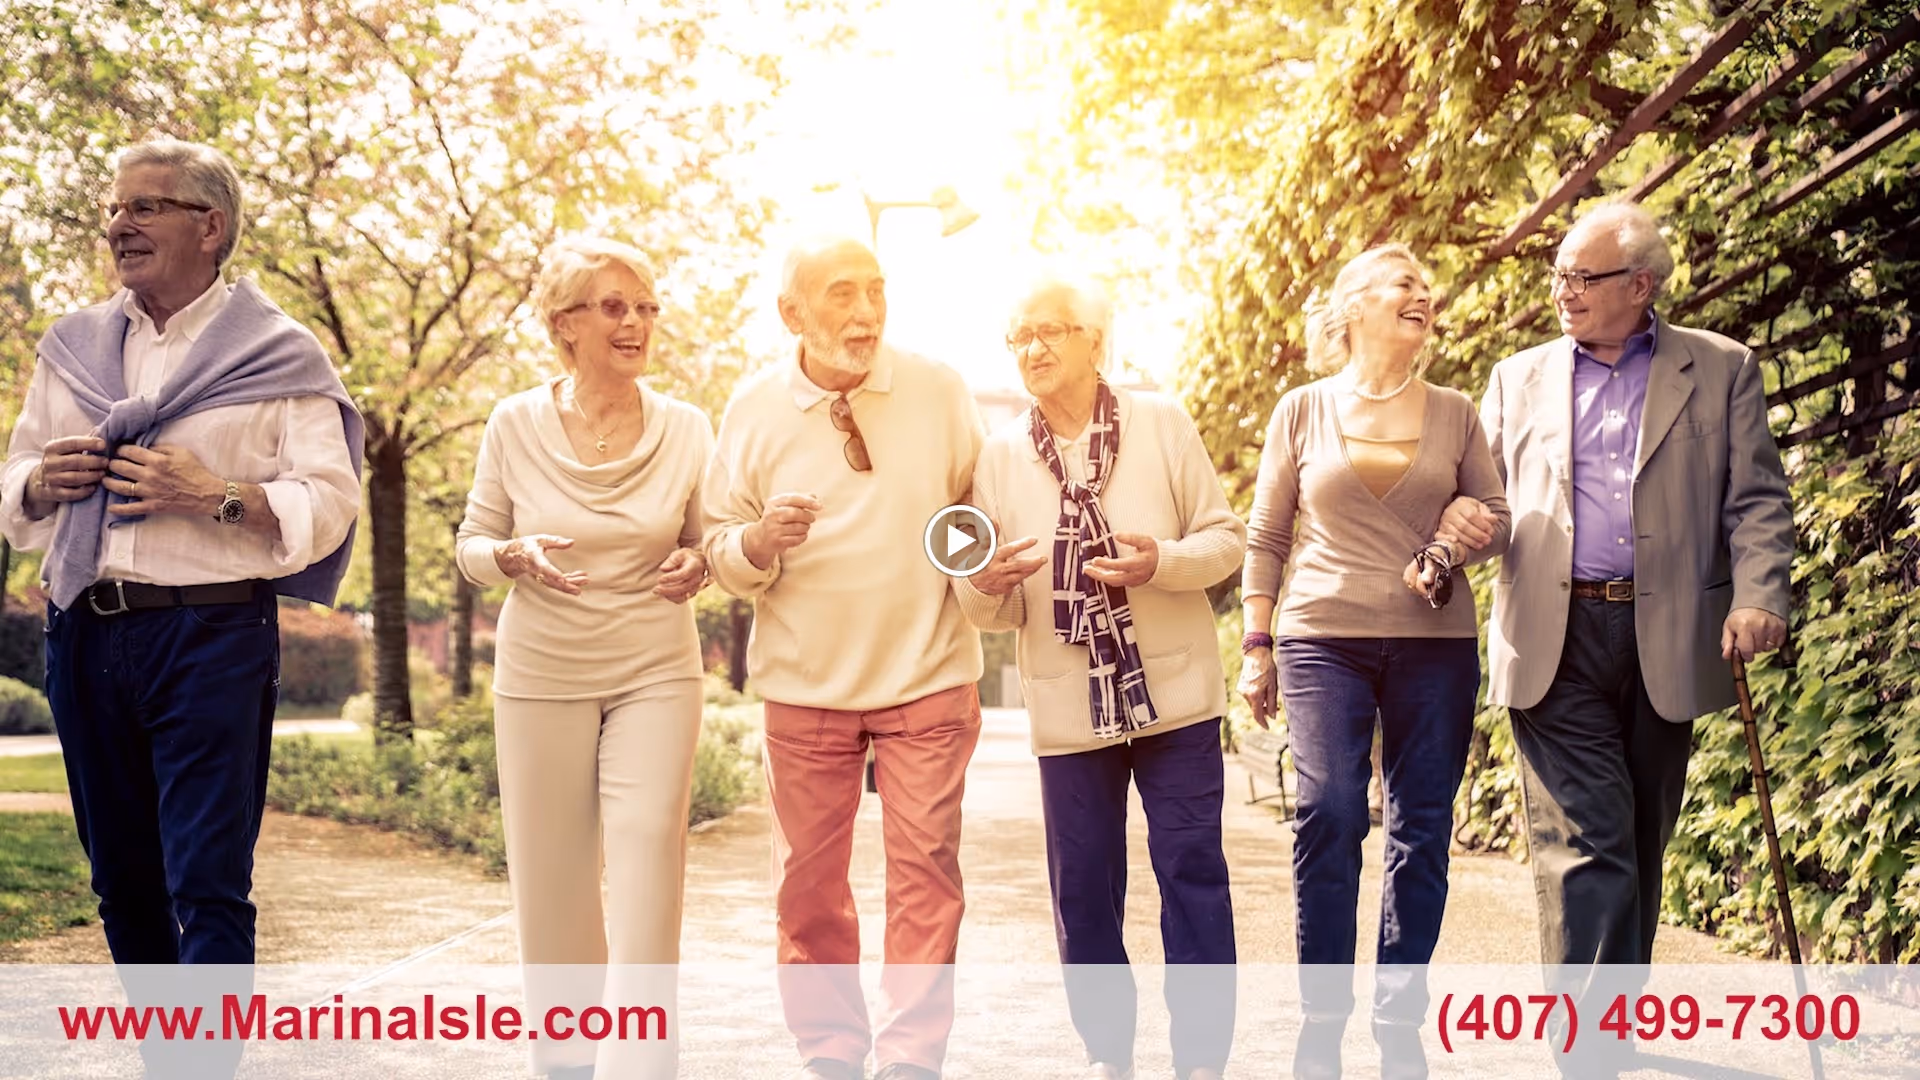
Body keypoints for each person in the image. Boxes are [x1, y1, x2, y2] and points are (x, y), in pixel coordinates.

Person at [0, 137, 363, 1077]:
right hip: (84, 629)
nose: (120, 225)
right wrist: (42, 478)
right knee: (121, 879)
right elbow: (13, 473)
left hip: (211, 633)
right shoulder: (75, 348)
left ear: (212, 226)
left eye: (145, 207)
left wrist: (219, 496)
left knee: (204, 877)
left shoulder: (281, 354)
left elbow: (330, 501)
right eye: (114, 209)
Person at [1468, 201, 1793, 1076]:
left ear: (1640, 286)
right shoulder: (1517, 377)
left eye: (1583, 276)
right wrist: (1459, 533)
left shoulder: (1720, 368)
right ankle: (1590, 1052)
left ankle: (1607, 1028)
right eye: (1559, 274)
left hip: (1670, 629)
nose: (1562, 291)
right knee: (1590, 842)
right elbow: (1489, 502)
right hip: (1554, 628)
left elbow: (1756, 500)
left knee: (1640, 840)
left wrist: (1759, 594)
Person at [701, 235, 986, 1080]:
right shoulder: (752, 410)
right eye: (840, 296)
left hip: (929, 671)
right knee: (809, 886)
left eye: (875, 290)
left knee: (927, 876)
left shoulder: (937, 390)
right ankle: (831, 1055)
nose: (865, 312)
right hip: (805, 685)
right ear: (793, 313)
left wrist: (985, 558)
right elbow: (719, 547)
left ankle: (908, 1062)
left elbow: (976, 509)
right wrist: (758, 541)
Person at [957, 276, 1245, 1080]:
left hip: (1176, 699)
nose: (1032, 349)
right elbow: (993, 613)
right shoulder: (1001, 456)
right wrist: (985, 584)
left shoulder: (1160, 421)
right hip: (1068, 708)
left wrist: (1163, 561)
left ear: (1095, 340)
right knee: (1082, 896)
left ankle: (1201, 1065)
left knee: (1193, 878)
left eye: (1049, 330)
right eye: (1017, 337)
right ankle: (1110, 1058)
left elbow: (1226, 541)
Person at [1237, 244, 1510, 1080]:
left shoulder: (1456, 410)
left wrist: (1468, 525)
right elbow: (1268, 533)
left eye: (1426, 289)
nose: (1421, 296)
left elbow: (1497, 512)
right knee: (1328, 809)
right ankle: (1323, 1006)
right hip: (1321, 636)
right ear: (1352, 308)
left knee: (1423, 826)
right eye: (1403, 285)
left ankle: (1399, 1004)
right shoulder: (1302, 409)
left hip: (1434, 644)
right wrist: (1256, 644)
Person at [455, 235, 713, 1080]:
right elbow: (473, 543)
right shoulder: (514, 422)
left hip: (654, 669)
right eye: (613, 307)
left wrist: (697, 563)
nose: (635, 323)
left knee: (646, 862)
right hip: (541, 674)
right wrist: (512, 555)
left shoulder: (686, 428)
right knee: (555, 884)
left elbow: (704, 542)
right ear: (565, 324)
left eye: (644, 308)